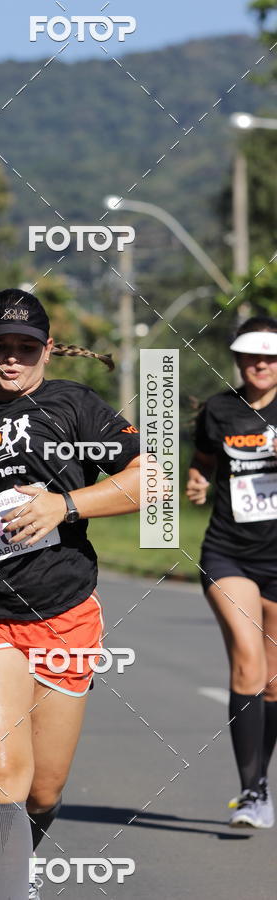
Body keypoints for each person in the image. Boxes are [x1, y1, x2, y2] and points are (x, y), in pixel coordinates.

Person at [0, 289, 142, 900]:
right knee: (0, 776)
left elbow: (147, 480)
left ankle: (19, 867)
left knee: (43, 790)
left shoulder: (74, 405)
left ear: (46, 350)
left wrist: (64, 505)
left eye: (25, 347)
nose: (11, 359)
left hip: (63, 613)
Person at [187, 316, 277, 828]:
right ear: (238, 359)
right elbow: (203, 460)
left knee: (272, 682)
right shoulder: (220, 409)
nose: (260, 365)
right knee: (247, 662)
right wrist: (198, 482)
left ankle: (260, 780)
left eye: (269, 356)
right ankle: (251, 792)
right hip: (228, 552)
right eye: (250, 356)